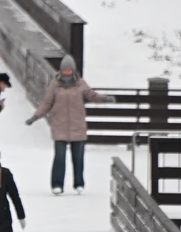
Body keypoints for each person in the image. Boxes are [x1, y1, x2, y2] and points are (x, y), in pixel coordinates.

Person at [25, 55, 114, 194]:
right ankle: (57, 184)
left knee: (78, 158)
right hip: (59, 126)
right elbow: (47, 103)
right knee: (59, 157)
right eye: (64, 70)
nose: (67, 72)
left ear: (73, 70)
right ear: (61, 70)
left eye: (69, 70)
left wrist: (104, 99)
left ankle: (79, 183)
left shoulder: (80, 84)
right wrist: (35, 116)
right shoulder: (55, 85)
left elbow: (92, 95)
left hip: (77, 126)